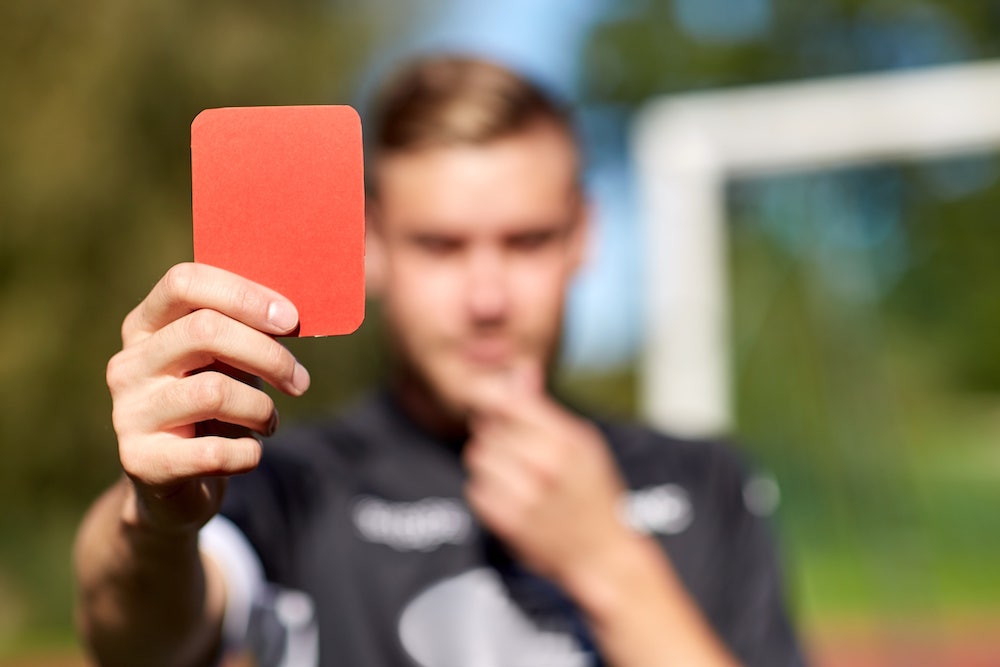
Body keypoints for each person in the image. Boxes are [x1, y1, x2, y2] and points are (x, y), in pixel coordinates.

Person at [74, 54, 807, 667]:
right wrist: (156, 519)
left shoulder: (702, 481)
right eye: (441, 246)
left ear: (584, 234)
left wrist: (610, 563)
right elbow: (137, 641)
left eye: (527, 241)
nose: (486, 298)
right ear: (372, 245)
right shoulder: (290, 485)